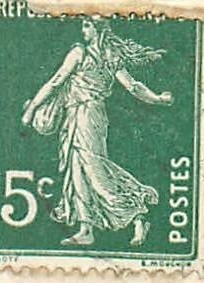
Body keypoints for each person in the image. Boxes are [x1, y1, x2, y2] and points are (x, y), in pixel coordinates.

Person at [22, 16, 174, 247]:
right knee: (79, 169)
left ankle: (136, 213)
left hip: (86, 116)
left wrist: (31, 109)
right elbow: (133, 87)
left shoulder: (80, 53)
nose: (83, 29)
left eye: (87, 25)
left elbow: (55, 82)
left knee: (94, 170)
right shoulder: (109, 56)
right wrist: (158, 99)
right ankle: (86, 229)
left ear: (99, 29)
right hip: (83, 115)